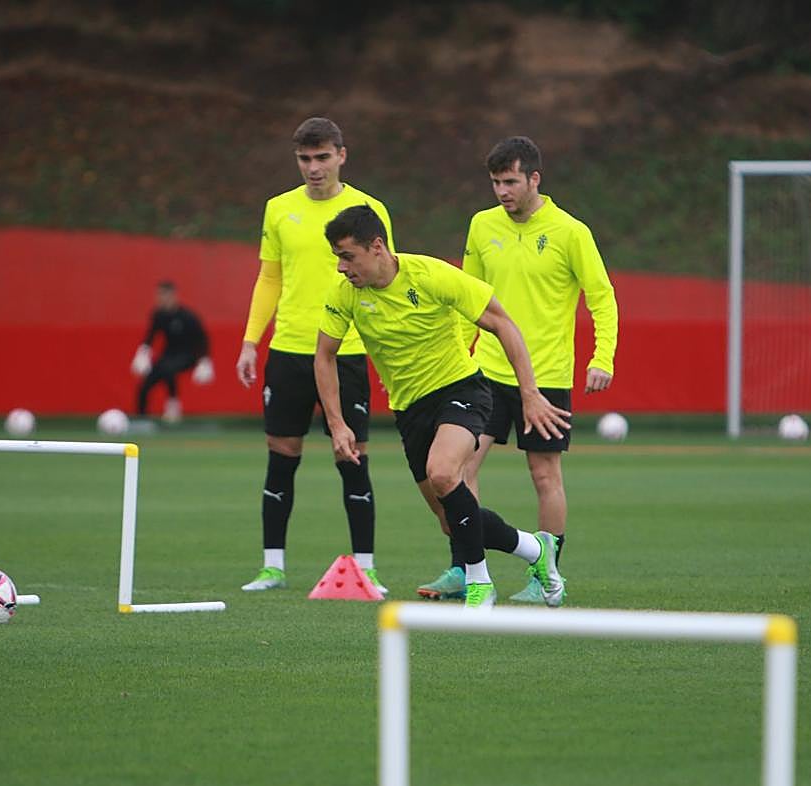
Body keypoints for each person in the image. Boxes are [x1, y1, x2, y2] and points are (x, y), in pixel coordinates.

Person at [316, 204, 571, 608]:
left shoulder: (430, 275)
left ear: (377, 247)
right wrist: (337, 423)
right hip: (409, 409)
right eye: (337, 257)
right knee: (451, 521)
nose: (341, 268)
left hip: (461, 388)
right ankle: (534, 549)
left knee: (443, 472)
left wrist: (530, 393)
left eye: (348, 256)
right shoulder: (344, 294)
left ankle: (479, 583)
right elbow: (324, 355)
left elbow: (502, 322)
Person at [416, 136, 618, 602]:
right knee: (459, 468)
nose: (502, 191)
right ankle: (466, 569)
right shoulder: (481, 225)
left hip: (545, 377)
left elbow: (602, 297)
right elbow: (465, 297)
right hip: (485, 371)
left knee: (544, 476)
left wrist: (602, 357)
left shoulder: (571, 232)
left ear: (534, 179)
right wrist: (456, 355)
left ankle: (545, 575)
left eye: (510, 181)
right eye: (495, 182)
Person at [235, 117, 393, 594]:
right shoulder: (279, 209)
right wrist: (250, 341)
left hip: (347, 351)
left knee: (353, 457)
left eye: (322, 157)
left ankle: (366, 568)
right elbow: (270, 278)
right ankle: (272, 567)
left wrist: (388, 349)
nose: (314, 167)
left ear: (342, 155)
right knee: (282, 457)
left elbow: (385, 279)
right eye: (305, 159)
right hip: (290, 350)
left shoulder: (369, 209)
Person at [130, 280, 212, 423]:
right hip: (168, 355)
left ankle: (173, 406)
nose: (161, 298)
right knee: (145, 385)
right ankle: (141, 418)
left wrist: (204, 361)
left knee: (168, 369)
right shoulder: (158, 315)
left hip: (188, 355)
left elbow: (202, 338)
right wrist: (143, 353)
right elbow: (151, 335)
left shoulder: (188, 316)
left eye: (164, 295)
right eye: (159, 295)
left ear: (173, 295)